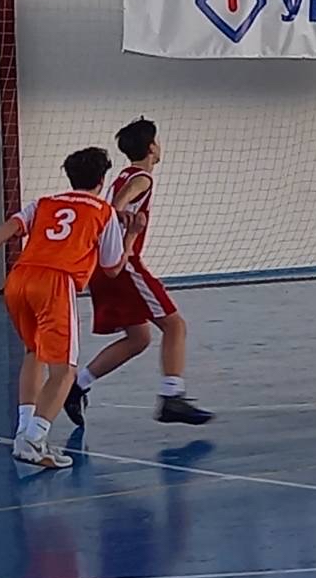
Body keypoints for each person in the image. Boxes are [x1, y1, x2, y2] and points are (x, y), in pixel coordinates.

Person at [0, 147, 142, 469]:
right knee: (65, 371)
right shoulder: (103, 211)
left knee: (35, 352)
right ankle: (34, 440)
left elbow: (11, 227)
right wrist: (131, 236)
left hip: (19, 279)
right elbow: (113, 268)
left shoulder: (45, 203)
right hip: (55, 282)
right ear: (102, 180)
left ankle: (24, 432)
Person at [65, 118, 212, 428]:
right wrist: (121, 216)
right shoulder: (142, 177)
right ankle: (172, 397)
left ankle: (77, 385)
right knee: (175, 325)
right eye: (157, 141)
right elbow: (118, 204)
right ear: (151, 147)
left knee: (139, 337)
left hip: (103, 266)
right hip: (124, 264)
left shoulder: (122, 175)